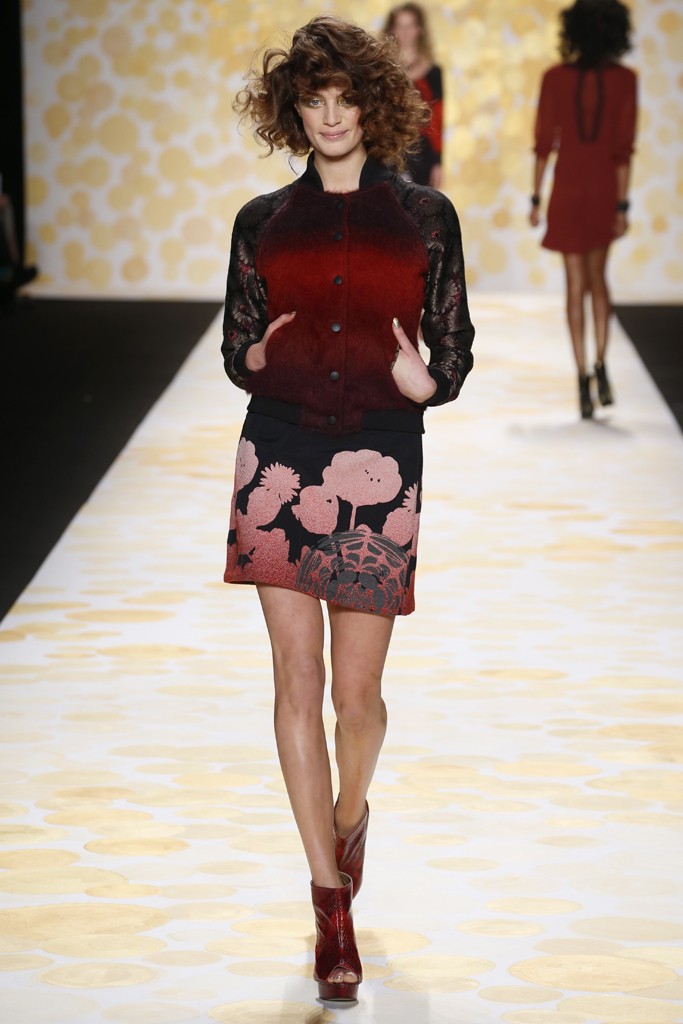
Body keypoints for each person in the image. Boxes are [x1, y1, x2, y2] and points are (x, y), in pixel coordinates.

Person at [222, 14, 474, 1004]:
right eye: (312, 100)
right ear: (291, 111)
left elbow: (452, 345)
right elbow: (237, 343)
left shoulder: (423, 217)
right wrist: (253, 353)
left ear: (370, 105)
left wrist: (428, 381)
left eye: (343, 99)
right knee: (295, 679)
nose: (330, 117)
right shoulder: (260, 221)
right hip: (278, 457)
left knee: (356, 700)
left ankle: (349, 813)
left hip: (377, 452)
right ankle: (331, 904)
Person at [530, 0, 637, 419]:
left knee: (576, 284)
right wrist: (622, 205)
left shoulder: (555, 78)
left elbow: (544, 144)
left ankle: (581, 375)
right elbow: (623, 150)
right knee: (597, 280)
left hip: (568, 189)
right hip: (602, 190)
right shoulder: (625, 80)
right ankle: (600, 364)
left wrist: (536, 198)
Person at [383, 3, 443, 188]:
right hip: (387, 150)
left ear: (419, 29)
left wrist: (438, 162)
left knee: (419, 204)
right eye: (400, 25)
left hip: (422, 155)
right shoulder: (380, 70)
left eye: (410, 25)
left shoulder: (433, 72)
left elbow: (437, 118)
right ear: (392, 29)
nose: (405, 32)